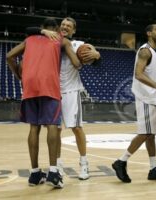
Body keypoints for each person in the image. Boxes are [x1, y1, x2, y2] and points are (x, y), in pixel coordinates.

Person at [6, 17, 81, 188]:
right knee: (52, 126)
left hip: (29, 85)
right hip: (49, 85)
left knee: (34, 127)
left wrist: (19, 74)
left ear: (42, 28)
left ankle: (34, 174)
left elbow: (9, 56)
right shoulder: (61, 39)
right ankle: (53, 173)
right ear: (56, 28)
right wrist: (91, 56)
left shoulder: (29, 39)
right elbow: (76, 64)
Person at [26, 17, 101, 180]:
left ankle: (84, 164)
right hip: (52, 91)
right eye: (63, 25)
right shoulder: (49, 40)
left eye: (69, 26)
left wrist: (97, 55)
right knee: (56, 130)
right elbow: (28, 30)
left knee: (76, 128)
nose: (65, 27)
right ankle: (57, 165)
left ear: (74, 31)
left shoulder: (78, 45)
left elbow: (94, 62)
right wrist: (43, 31)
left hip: (71, 91)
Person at [112, 24, 156, 183]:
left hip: (152, 98)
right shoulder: (145, 51)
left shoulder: (153, 52)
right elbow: (138, 74)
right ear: (148, 33)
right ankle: (121, 161)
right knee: (145, 133)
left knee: (151, 134)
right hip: (146, 97)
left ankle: (153, 169)